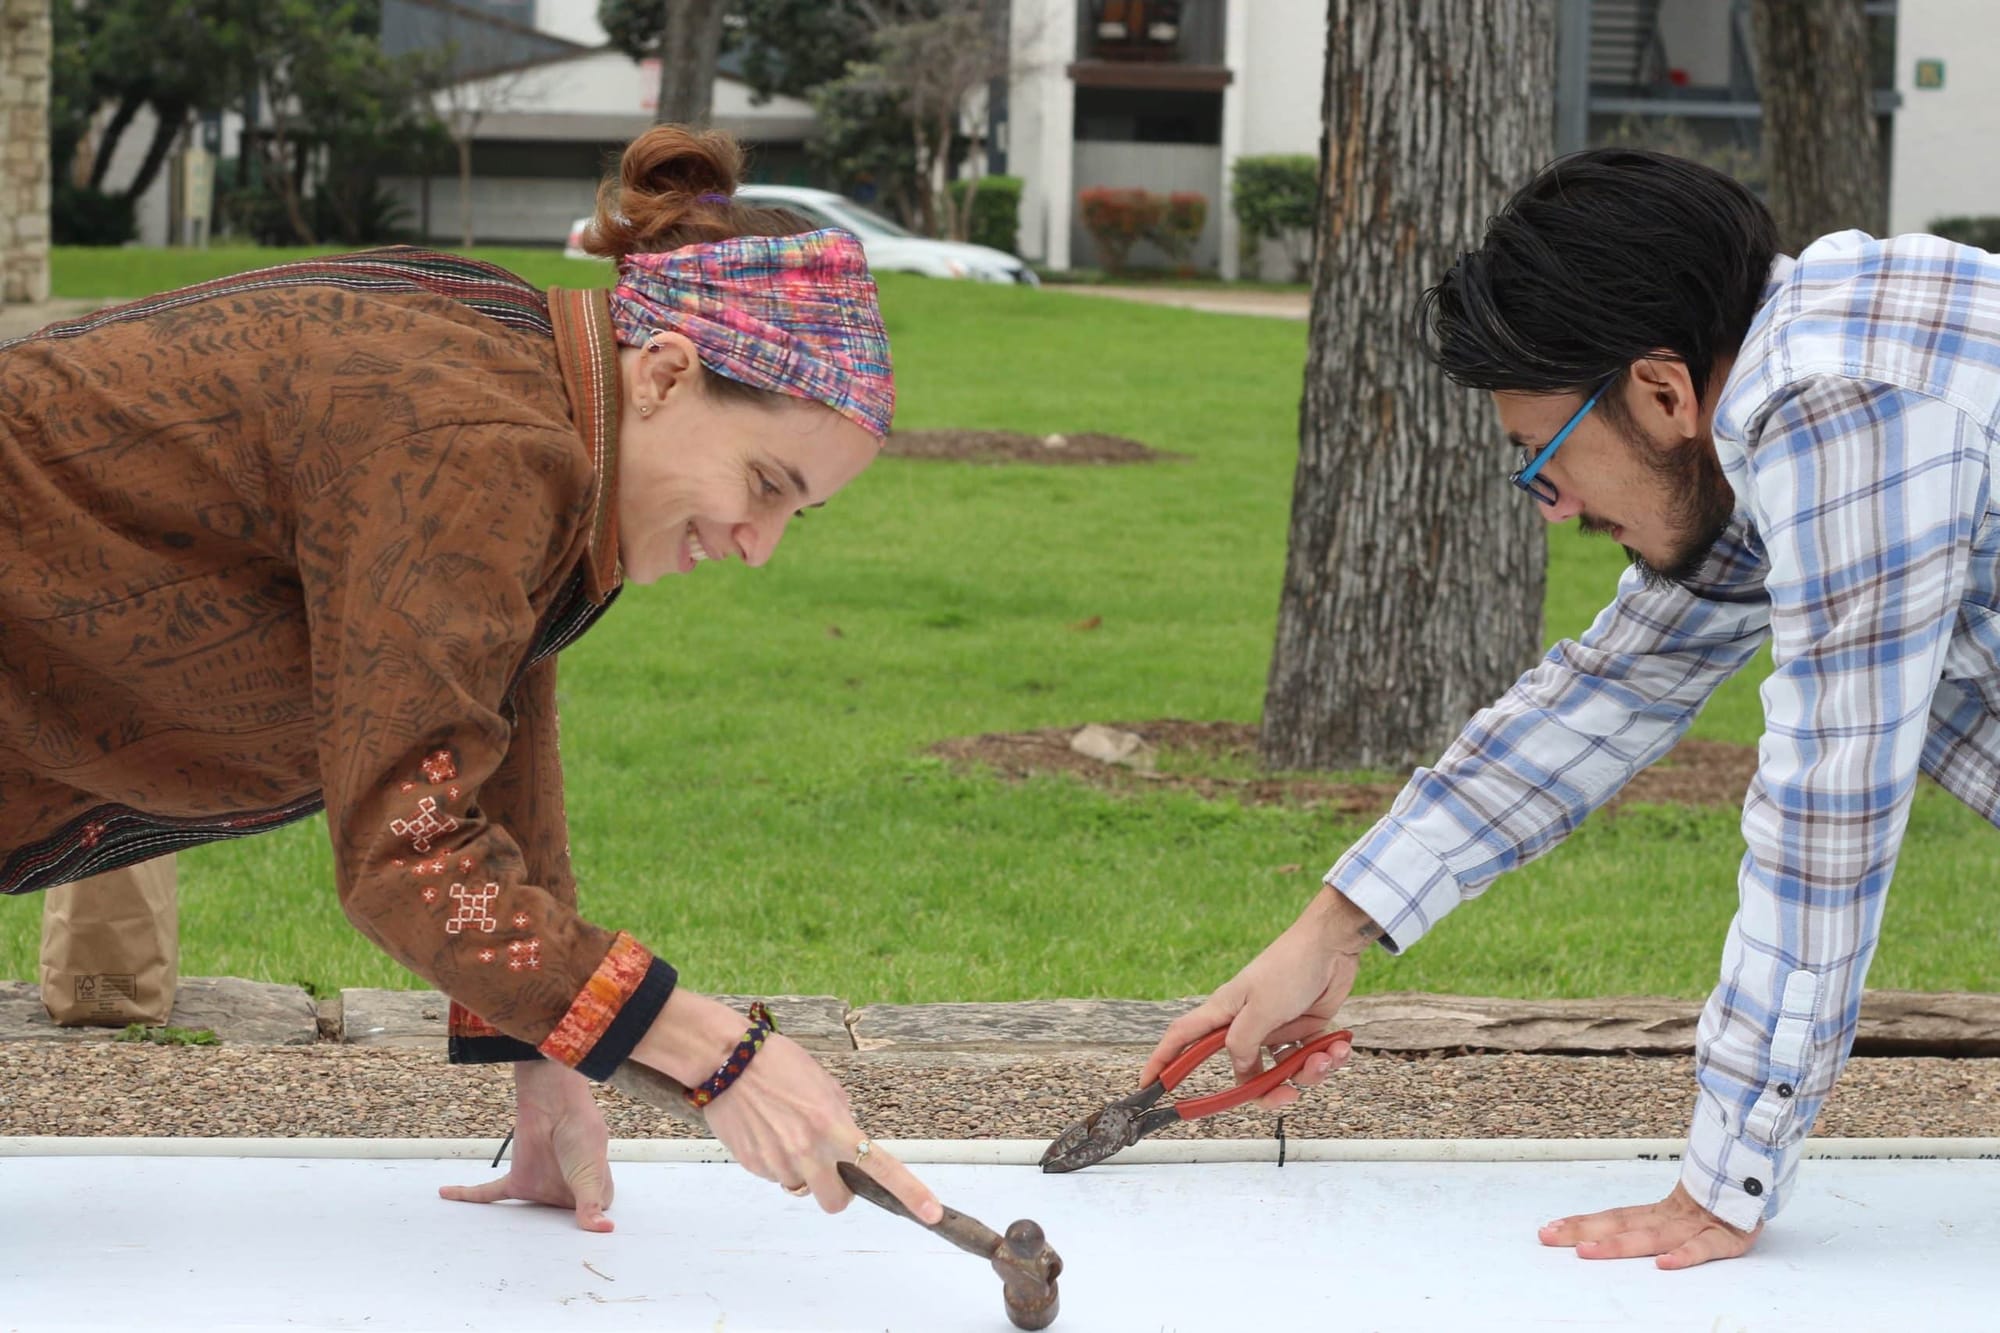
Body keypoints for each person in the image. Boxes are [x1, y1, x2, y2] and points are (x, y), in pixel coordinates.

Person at [0, 124, 941, 1231]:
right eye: (765, 483)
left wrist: (548, 1055)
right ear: (667, 373)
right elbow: (412, 847)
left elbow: (482, 715)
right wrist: (719, 1052)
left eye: (797, 512)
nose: (757, 543)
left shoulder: (535, 396)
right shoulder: (474, 440)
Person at [1144, 147, 2000, 1270]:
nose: (1551, 510)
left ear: (1658, 389)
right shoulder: (1776, 388)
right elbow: (1607, 688)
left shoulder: (1836, 401)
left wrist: (1724, 1178)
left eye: (1540, 460)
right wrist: (1327, 931)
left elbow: (1826, 808)